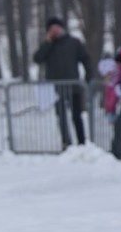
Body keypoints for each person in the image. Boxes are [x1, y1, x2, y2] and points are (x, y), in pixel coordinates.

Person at [33, 16, 92, 150]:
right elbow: (37, 59)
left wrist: (89, 77)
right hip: (56, 89)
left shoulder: (74, 42)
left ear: (62, 28)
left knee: (77, 116)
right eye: (52, 29)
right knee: (61, 117)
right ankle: (66, 143)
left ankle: (82, 143)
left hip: (74, 87)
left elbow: (86, 59)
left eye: (57, 27)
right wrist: (47, 43)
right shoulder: (47, 45)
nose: (55, 31)